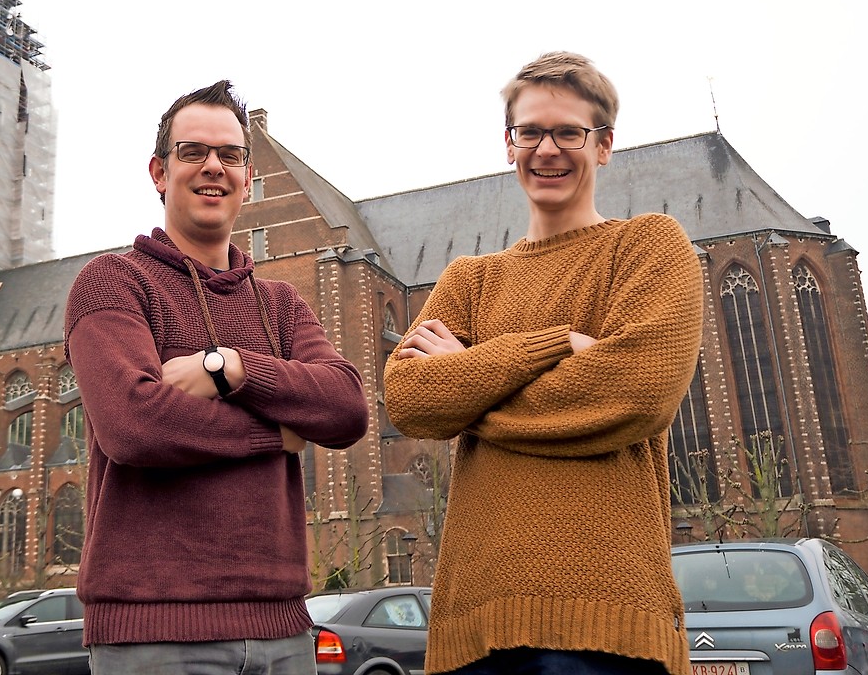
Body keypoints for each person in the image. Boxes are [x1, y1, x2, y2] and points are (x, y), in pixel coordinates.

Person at [383, 51, 703, 675]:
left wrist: (472, 380)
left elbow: (636, 394)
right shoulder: (470, 278)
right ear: (509, 145)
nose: (547, 149)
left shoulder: (650, 248)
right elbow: (411, 398)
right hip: (473, 624)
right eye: (530, 132)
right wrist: (559, 346)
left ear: (604, 145)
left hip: (610, 615)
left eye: (567, 133)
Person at [64, 78, 370, 675]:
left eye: (230, 155)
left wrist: (230, 368)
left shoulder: (281, 303)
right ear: (158, 172)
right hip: (155, 636)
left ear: (248, 178)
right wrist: (276, 435)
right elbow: (135, 425)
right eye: (192, 152)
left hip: (284, 630)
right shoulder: (112, 283)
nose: (213, 167)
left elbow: (347, 407)